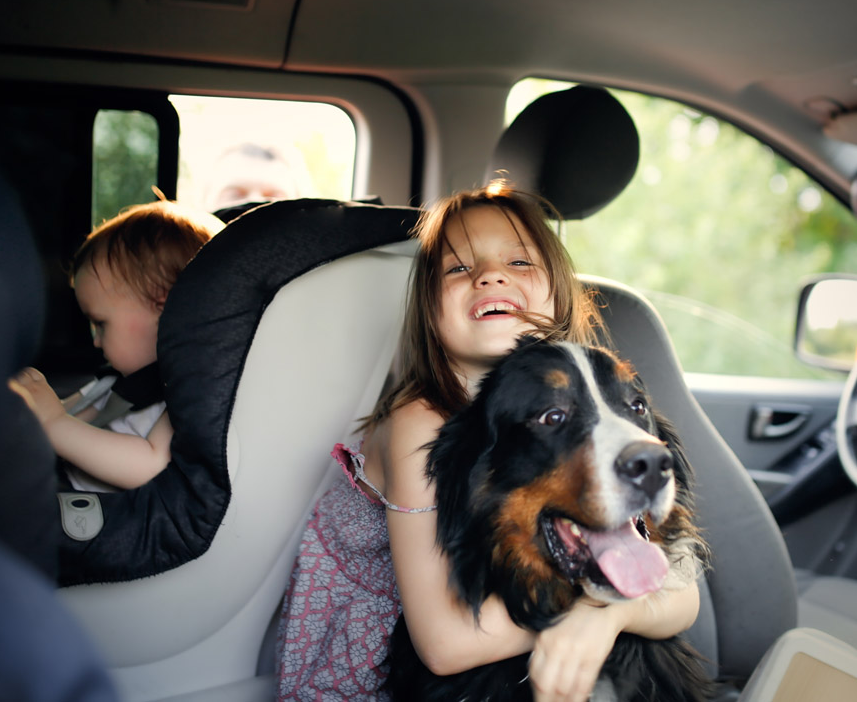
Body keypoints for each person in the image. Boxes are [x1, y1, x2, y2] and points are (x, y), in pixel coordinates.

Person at [275, 183, 702, 702]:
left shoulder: (593, 385)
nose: (491, 275)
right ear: (429, 311)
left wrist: (606, 616)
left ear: (558, 292)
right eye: (459, 269)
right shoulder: (420, 422)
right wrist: (596, 610)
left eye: (520, 262)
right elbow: (443, 646)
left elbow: (683, 595)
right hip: (400, 653)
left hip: (511, 619)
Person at [10, 198, 224, 493]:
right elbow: (71, 414)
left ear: (168, 312)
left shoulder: (187, 394)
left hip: (108, 523)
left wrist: (53, 424)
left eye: (101, 324)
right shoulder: (117, 382)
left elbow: (153, 465)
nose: (95, 341)